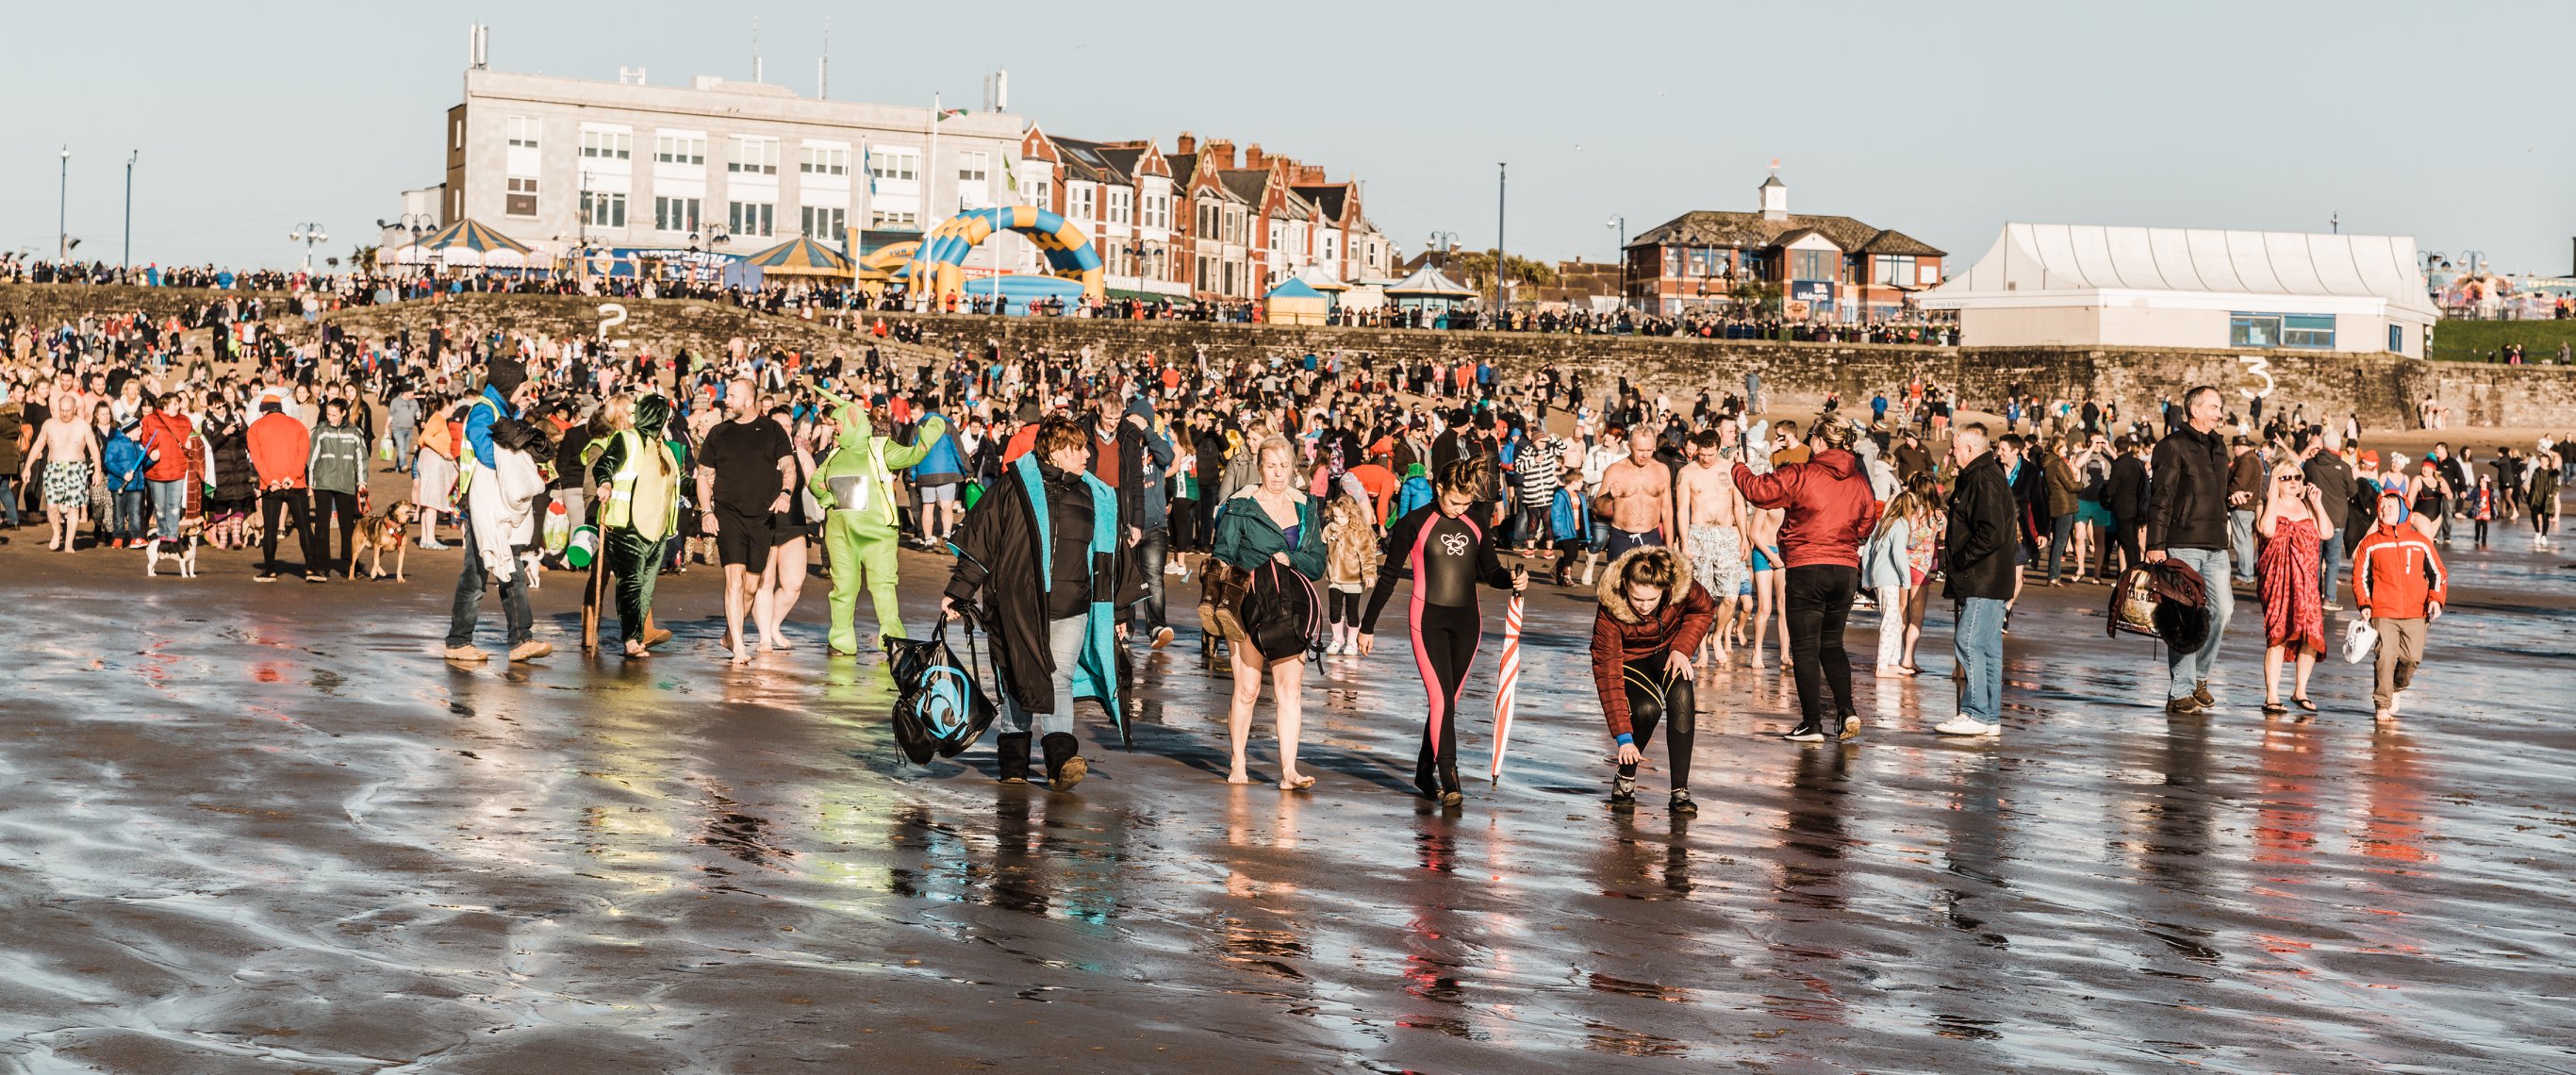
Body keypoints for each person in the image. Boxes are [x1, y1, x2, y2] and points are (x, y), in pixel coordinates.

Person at [940, 414, 1145, 789]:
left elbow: (1113, 557)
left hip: (1074, 605)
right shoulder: (1013, 487)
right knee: (1018, 678)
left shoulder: (1096, 495)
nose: (1087, 454)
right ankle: (1014, 765)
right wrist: (959, 590)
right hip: (1018, 604)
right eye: (1078, 448)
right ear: (1055, 449)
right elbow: (983, 540)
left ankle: (1061, 762)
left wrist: (1120, 609)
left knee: (1058, 679)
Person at [1361, 456, 1528, 805]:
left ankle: (1424, 770)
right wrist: (1367, 626)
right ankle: (1450, 777)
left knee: (1447, 703)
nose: (1459, 508)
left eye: (1466, 502)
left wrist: (1513, 579)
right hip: (1427, 619)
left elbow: (1491, 573)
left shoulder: (1478, 522)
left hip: (1468, 622)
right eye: (1454, 500)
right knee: (1440, 699)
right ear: (1439, 488)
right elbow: (1388, 577)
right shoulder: (1413, 522)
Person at [1732, 420, 1882, 742]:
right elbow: (1867, 524)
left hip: (1807, 563)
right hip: (1844, 568)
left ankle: (1812, 722)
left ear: (1817, 443)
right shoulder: (1859, 481)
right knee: (1832, 643)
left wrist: (1739, 468)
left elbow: (1759, 491)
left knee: (1805, 646)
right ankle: (1846, 709)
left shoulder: (1802, 474)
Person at [1211, 435, 1329, 789]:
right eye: (1271, 466)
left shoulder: (1305, 507)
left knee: (1289, 691)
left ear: (1294, 468)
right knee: (1247, 689)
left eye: (1284, 466)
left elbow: (1318, 562)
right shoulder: (1240, 505)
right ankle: (1239, 760)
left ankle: (1289, 771)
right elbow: (1222, 555)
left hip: (1290, 609)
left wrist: (1289, 558)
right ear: (1259, 467)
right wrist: (1218, 602)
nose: (1278, 474)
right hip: (1248, 606)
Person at [811, 385, 947, 654]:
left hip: (877, 533)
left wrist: (925, 441)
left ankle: (893, 639)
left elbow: (911, 456)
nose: (834, 429)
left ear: (851, 421)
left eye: (837, 423)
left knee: (883, 585)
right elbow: (816, 480)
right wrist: (825, 496)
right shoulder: (835, 454)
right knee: (843, 587)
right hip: (841, 533)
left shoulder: (879, 447)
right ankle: (840, 639)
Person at [1589, 545, 1714, 814]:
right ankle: (1625, 777)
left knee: (1682, 694)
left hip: (1669, 650)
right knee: (1648, 709)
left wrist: (1683, 648)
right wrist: (1623, 737)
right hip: (1629, 660)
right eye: (1637, 599)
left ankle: (1680, 791)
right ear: (1625, 585)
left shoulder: (1681, 586)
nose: (1645, 607)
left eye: (1652, 599)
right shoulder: (1610, 608)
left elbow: (1704, 609)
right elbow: (1607, 672)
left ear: (1665, 589)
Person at [445, 358, 550, 663]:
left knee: (510, 569)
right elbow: (488, 454)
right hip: (480, 506)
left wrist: (518, 420)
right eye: (522, 388)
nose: (526, 392)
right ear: (509, 386)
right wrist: (519, 444)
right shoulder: (483, 410)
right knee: (477, 575)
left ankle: (520, 640)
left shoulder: (499, 410)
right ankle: (458, 642)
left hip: (495, 504)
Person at [2145, 386, 2237, 716]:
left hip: (2215, 544)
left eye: (2219, 405)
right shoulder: (2171, 446)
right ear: (2194, 409)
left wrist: (2231, 498)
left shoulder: (2219, 446)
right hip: (2182, 542)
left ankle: (2199, 676)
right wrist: (2155, 544)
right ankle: (2180, 691)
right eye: (2213, 406)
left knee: (2223, 610)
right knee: (2185, 616)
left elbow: (2212, 492)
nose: (2219, 412)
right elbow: (2162, 497)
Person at [695, 378, 796, 662]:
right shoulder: (718, 433)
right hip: (729, 514)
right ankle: (739, 647)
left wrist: (786, 493)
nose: (726, 400)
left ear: (748, 401)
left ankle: (730, 635)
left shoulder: (772, 430)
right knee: (734, 581)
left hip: (763, 517)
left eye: (732, 396)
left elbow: (789, 465)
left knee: (752, 586)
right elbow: (703, 476)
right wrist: (707, 511)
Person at [587, 393, 684, 658]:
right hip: (626, 525)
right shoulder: (625, 439)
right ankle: (630, 639)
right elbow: (603, 465)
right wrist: (605, 483)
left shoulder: (665, 447)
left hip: (657, 528)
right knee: (630, 583)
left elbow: (677, 482)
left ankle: (638, 635)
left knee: (646, 587)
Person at [1937, 424, 2014, 736]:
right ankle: (1989, 716)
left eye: (1955, 447)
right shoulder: (1982, 476)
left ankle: (1976, 713)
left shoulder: (1984, 477)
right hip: (1989, 577)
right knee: (1987, 647)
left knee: (1968, 642)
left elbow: (1991, 531)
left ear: (1970, 449)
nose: (1951, 453)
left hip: (1984, 577)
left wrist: (1962, 559)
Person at [2352, 491, 2447, 723]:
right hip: (2383, 610)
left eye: (2390, 505)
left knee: (2412, 658)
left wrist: (2435, 598)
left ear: (2403, 510)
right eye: (2382, 506)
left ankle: (2396, 686)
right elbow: (2359, 577)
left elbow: (2438, 572)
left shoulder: (2420, 541)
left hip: (2417, 611)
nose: (2385, 509)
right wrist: (2364, 603)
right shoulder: (2370, 543)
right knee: (2385, 656)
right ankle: (2382, 705)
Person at [2255, 462, 2328, 715]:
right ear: (2276, 479)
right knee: (2278, 635)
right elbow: (2266, 530)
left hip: (2307, 582)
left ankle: (2300, 690)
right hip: (2278, 581)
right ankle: (2272, 696)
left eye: (2297, 476)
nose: (2293, 481)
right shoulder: (2266, 504)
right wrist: (2272, 495)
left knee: (2310, 635)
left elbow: (2327, 532)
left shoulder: (2307, 505)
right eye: (2285, 477)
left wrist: (2318, 504)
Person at [1673, 428, 1748, 667]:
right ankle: (1702, 649)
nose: (1705, 459)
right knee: (1701, 599)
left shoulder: (1729, 468)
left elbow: (1739, 506)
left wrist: (1744, 537)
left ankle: (1717, 637)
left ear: (1718, 449)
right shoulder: (1687, 473)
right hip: (1698, 534)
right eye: (1702, 454)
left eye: (1710, 454)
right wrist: (1684, 541)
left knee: (1730, 596)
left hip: (1726, 535)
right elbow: (1681, 510)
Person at [1863, 471, 1936, 678]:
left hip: (1880, 577)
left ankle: (1892, 661)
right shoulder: (1901, 525)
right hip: (1890, 578)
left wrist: (1867, 577)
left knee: (1894, 619)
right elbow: (1898, 554)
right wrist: (1906, 581)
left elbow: (1869, 548)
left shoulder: (1885, 523)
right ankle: (1883, 665)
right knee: (1890, 620)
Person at [22, 389, 102, 552]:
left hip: (76, 468)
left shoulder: (83, 426)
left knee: (73, 508)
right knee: (52, 506)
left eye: (68, 410)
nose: (65, 414)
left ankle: (69, 542)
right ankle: (56, 532)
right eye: (62, 410)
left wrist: (97, 471)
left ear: (74, 409)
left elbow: (94, 450)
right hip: (54, 468)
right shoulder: (49, 424)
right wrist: (27, 467)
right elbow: (38, 445)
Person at [246, 399, 318, 582]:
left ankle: (270, 571)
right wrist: (292, 477)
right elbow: (303, 455)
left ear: (264, 411)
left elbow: (257, 459)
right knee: (304, 528)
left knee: (270, 530)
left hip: (271, 486)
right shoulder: (298, 426)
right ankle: (311, 570)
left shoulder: (255, 428)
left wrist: (271, 480)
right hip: (296, 484)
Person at [307, 397, 369, 578]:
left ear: (343, 413)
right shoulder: (321, 431)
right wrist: (310, 484)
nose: (330, 417)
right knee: (321, 526)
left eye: (334, 414)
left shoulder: (355, 432)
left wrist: (362, 482)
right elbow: (312, 459)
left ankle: (350, 565)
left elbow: (361, 459)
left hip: (346, 484)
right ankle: (320, 566)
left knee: (347, 527)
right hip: (323, 483)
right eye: (328, 414)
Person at [1595, 425, 1672, 561]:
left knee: (1653, 582)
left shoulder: (1662, 470)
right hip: (1622, 538)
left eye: (1649, 450)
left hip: (1651, 538)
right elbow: (1597, 509)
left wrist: (1670, 547)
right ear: (1630, 447)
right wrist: (1609, 496)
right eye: (1640, 450)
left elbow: (1667, 511)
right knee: (1618, 582)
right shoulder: (1615, 470)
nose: (1645, 455)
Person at [1319, 492, 1379, 655]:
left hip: (1353, 580)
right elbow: (1321, 543)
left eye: (1342, 517)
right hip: (1335, 579)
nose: (1338, 520)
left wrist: (1369, 574)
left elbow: (1368, 556)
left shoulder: (1360, 534)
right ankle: (1338, 639)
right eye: (1335, 516)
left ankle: (1352, 642)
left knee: (1352, 612)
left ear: (1351, 515)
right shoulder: (1331, 528)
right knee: (1334, 610)